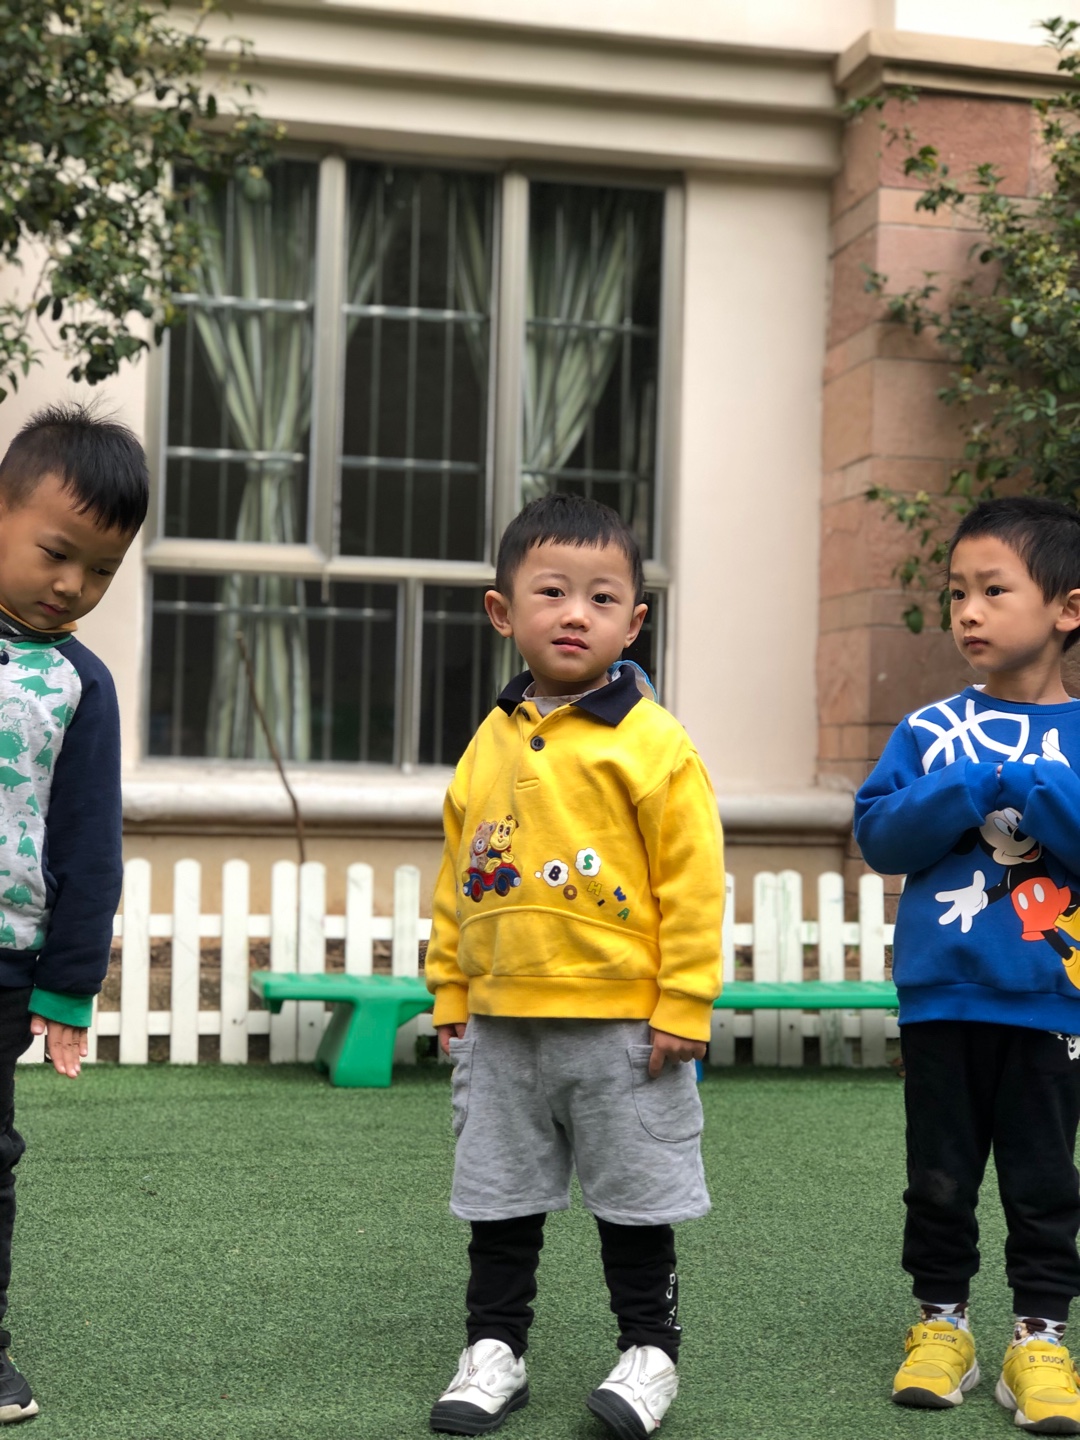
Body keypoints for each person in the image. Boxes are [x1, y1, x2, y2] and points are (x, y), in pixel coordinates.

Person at [424, 493, 724, 1438]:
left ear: (633, 623)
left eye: (602, 598)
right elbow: (458, 872)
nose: (575, 614)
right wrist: (450, 984)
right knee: (500, 1201)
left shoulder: (655, 742)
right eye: (552, 592)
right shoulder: (490, 738)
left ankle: (650, 1353)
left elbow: (693, 882)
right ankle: (494, 1350)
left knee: (635, 1202)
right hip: (501, 1025)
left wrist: (684, 1002)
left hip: (624, 1029)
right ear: (502, 611)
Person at [855, 496, 1080, 1433]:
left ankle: (1040, 1340)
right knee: (939, 1178)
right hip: (941, 1002)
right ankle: (941, 1325)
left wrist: (1029, 783)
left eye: (994, 590)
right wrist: (965, 782)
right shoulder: (928, 730)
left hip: (1052, 1004)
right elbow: (879, 835)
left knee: (1046, 1183)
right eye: (957, 593)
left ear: (1067, 608)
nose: (968, 612)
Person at [0, 402, 148, 1423]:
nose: (72, 586)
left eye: (100, 571)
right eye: (57, 553)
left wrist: (67, 986)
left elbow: (92, 849)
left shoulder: (79, 685)